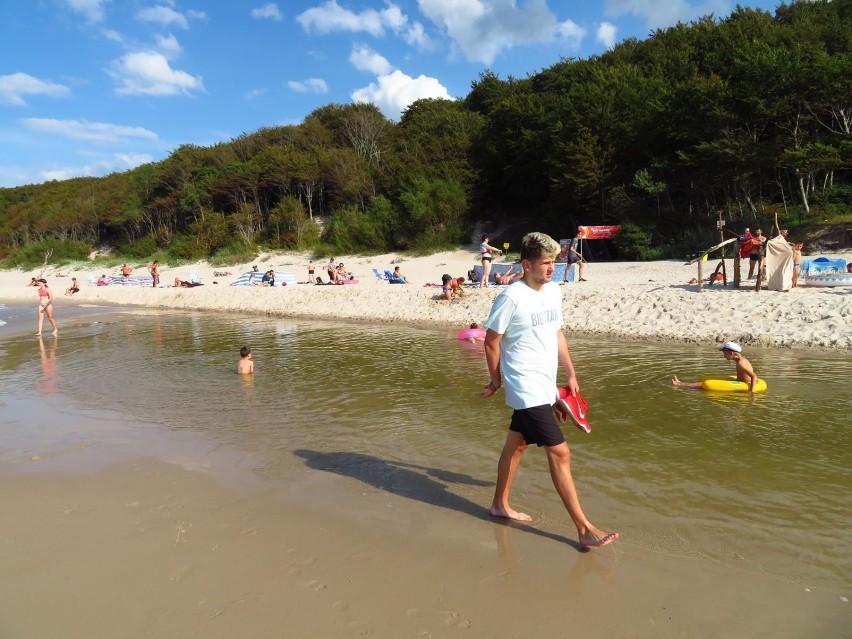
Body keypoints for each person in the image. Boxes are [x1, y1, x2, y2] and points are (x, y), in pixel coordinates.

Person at [480, 232, 618, 549]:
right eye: (545, 262)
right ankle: (584, 528)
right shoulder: (511, 297)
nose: (551, 268)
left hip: (544, 384)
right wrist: (497, 380)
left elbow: (557, 333)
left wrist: (570, 375)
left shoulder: (553, 292)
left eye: (554, 261)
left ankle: (499, 505)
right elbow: (491, 342)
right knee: (561, 452)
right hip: (524, 386)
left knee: (516, 444)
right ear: (526, 264)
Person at [672, 341, 758, 393]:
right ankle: (682, 383)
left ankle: (681, 384)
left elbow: (753, 376)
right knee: (704, 379)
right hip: (740, 381)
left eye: (725, 354)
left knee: (705, 384)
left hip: (745, 384)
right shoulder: (741, 360)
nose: (724, 356)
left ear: (731, 353)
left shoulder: (741, 363)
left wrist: (751, 393)